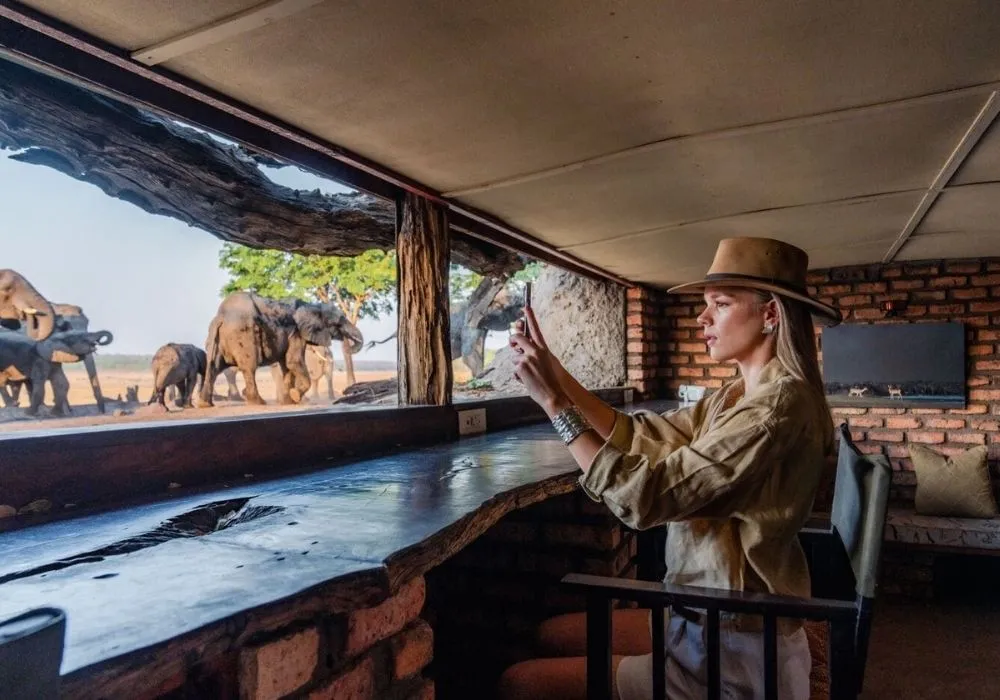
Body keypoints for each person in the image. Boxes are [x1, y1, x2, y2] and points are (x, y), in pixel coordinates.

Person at [498, 237, 841, 700]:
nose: (703, 318)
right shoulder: (739, 393)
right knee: (553, 633)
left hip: (732, 654)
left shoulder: (776, 410)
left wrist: (554, 404)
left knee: (518, 683)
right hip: (704, 617)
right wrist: (556, 374)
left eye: (719, 304)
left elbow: (646, 497)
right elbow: (643, 435)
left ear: (771, 314)